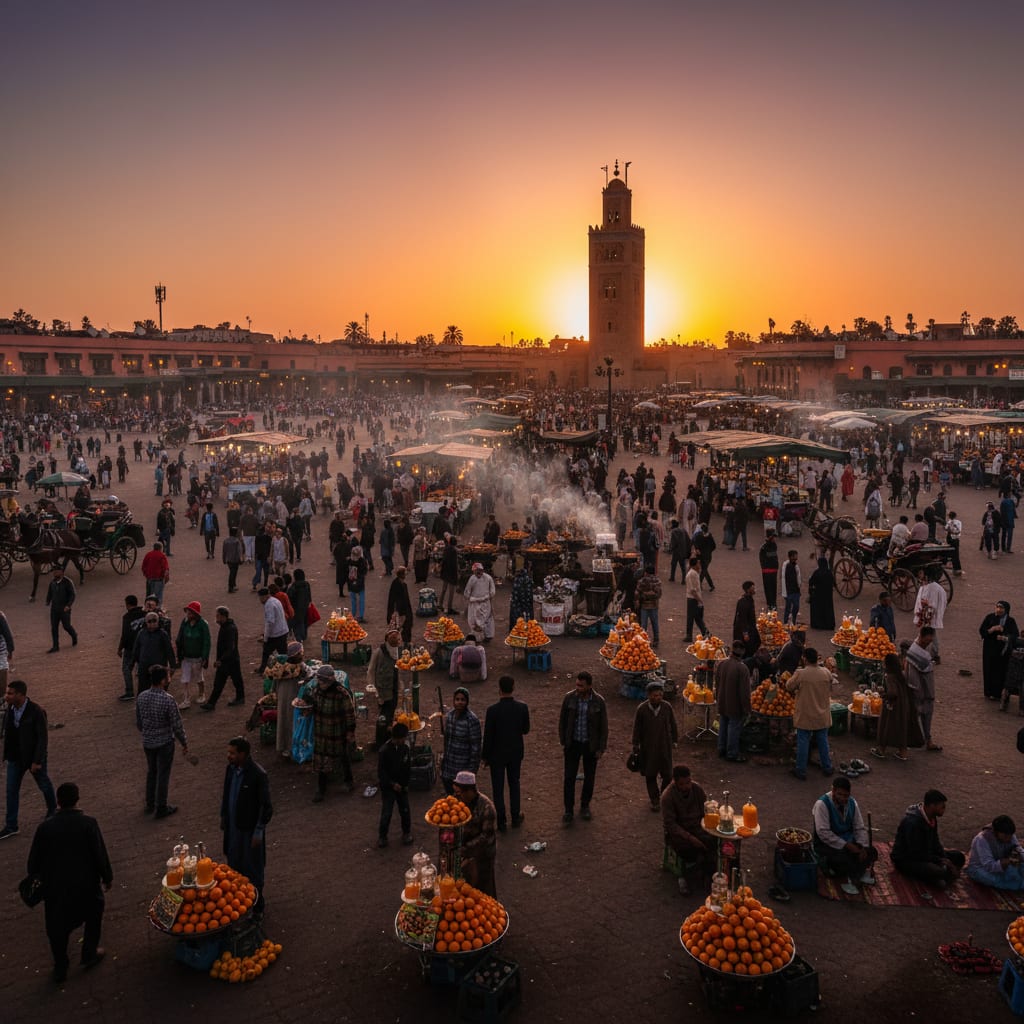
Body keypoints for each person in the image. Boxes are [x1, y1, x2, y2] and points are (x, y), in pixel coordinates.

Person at [26, 782, 112, 983]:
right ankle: (89, 953)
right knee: (93, 916)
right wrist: (107, 877)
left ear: (58, 801)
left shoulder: (45, 828)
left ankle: (61, 966)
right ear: (77, 800)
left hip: (56, 889)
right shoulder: (88, 824)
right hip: (86, 885)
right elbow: (99, 854)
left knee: (56, 927)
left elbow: (33, 864)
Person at [220, 736, 272, 915]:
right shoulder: (230, 769)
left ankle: (257, 907)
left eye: (233, 753)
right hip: (233, 828)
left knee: (253, 868)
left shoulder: (258, 775)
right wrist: (224, 817)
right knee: (234, 866)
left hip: (249, 831)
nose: (229, 756)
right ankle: (239, 904)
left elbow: (266, 807)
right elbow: (226, 795)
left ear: (243, 754)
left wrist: (258, 831)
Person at [1, 680, 57, 839]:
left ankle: (53, 811)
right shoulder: (10, 709)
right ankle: (11, 825)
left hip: (32, 757)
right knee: (11, 791)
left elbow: (42, 738)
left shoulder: (36, 711)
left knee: (44, 785)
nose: (6, 696)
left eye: (10, 693)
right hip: (15, 757)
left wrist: (37, 761)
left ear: (20, 695)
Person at [135, 665, 190, 818]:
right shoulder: (168, 700)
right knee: (163, 774)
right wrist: (184, 742)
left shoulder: (142, 697)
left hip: (148, 741)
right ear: (163, 680)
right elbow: (177, 725)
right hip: (165, 742)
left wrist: (148, 731)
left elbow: (139, 723)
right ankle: (161, 806)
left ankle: (150, 802)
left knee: (152, 771)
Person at [812, 776, 879, 895]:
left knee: (871, 851)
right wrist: (847, 845)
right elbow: (823, 833)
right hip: (826, 844)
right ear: (833, 790)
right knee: (844, 859)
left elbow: (859, 827)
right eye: (840, 794)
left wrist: (862, 847)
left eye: (846, 795)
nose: (843, 798)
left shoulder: (852, 803)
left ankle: (856, 872)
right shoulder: (822, 804)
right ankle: (851, 874)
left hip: (848, 839)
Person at [481, 675, 530, 832]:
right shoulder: (522, 708)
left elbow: (488, 736)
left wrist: (485, 757)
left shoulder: (492, 711)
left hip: (497, 755)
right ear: (513, 687)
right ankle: (515, 817)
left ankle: (501, 821)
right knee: (514, 783)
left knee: (498, 788)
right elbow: (526, 730)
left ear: (499, 689)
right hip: (515, 752)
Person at [558, 670, 608, 823]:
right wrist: (564, 741)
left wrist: (601, 748)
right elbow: (562, 721)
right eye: (577, 685)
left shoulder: (598, 701)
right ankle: (568, 810)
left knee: (589, 778)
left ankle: (585, 806)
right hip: (573, 744)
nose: (578, 688)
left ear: (589, 686)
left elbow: (604, 727)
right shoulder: (569, 698)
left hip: (590, 745)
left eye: (581, 686)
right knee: (569, 778)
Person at [891, 788, 966, 888]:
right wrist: (940, 860)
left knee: (959, 857)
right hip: (907, 859)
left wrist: (944, 858)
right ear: (932, 806)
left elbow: (935, 842)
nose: (944, 809)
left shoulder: (932, 817)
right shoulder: (913, 823)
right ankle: (940, 875)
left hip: (926, 853)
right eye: (942, 806)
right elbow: (915, 853)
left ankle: (941, 875)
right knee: (939, 873)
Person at [660, 765, 715, 896]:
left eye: (688, 782)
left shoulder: (697, 789)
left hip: (698, 827)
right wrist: (690, 838)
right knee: (688, 850)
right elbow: (671, 825)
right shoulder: (667, 797)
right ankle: (682, 877)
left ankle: (708, 874)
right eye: (682, 784)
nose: (686, 786)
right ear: (675, 782)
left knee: (713, 841)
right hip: (679, 833)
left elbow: (705, 810)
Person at [306, 664, 356, 802]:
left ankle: (349, 781)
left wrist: (350, 731)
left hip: (336, 732)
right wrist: (308, 708)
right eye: (319, 682)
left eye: (322, 682)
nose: (320, 684)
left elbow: (350, 714)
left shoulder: (341, 693)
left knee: (342, 756)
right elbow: (314, 705)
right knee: (321, 760)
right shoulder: (317, 691)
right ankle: (321, 789)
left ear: (329, 680)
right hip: (321, 732)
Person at [785, 647, 834, 780]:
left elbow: (789, 686)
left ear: (805, 659)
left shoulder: (801, 673)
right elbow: (830, 686)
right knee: (823, 740)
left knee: (803, 741)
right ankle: (827, 767)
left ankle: (801, 770)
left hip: (805, 714)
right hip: (821, 713)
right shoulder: (826, 672)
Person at [631, 680, 679, 809]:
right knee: (650, 774)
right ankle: (654, 800)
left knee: (668, 775)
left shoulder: (667, 707)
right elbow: (637, 728)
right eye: (655, 695)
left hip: (665, 746)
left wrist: (675, 740)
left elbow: (673, 724)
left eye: (660, 695)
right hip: (648, 747)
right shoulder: (642, 709)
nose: (658, 698)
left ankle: (663, 796)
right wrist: (635, 744)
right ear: (648, 695)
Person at [871, 652, 924, 760]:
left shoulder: (890, 677)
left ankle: (881, 750)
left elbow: (893, 693)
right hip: (903, 706)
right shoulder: (901, 675)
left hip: (892, 707)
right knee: (901, 728)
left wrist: (883, 694)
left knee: (885, 728)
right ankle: (902, 753)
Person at [453, 770, 498, 896]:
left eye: (460, 793)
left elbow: (485, 838)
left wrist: (465, 850)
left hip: (483, 854)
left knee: (484, 889)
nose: (457, 796)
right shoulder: (459, 802)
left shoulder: (487, 808)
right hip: (465, 850)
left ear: (469, 791)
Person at [201, 607, 245, 711]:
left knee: (234, 681)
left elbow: (230, 648)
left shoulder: (229, 629)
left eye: (218, 616)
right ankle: (212, 703)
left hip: (230, 661)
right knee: (221, 682)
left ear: (223, 616)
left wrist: (220, 660)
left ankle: (213, 703)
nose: (216, 618)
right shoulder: (226, 627)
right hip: (228, 660)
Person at [439, 686, 482, 795]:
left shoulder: (472, 720)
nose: (460, 702)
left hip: (462, 768)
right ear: (453, 701)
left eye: (463, 700)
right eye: (457, 699)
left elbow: (476, 748)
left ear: (467, 702)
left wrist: (471, 770)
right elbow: (447, 741)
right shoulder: (450, 716)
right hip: (448, 767)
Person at [377, 721, 413, 848]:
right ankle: (382, 836)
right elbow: (381, 773)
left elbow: (407, 768)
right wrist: (392, 784)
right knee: (387, 812)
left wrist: (405, 784)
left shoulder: (405, 749)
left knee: (405, 810)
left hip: (402, 786)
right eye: (403, 738)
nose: (404, 740)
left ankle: (406, 833)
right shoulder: (384, 751)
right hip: (388, 788)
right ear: (397, 738)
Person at [715, 640, 752, 763]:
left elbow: (717, 683)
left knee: (723, 724)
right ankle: (732, 753)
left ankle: (721, 748)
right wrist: (747, 708)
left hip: (722, 700)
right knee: (733, 727)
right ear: (743, 652)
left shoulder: (722, 664)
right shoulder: (742, 668)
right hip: (735, 704)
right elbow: (744, 692)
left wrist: (717, 698)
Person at [906, 626, 941, 751]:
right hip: (919, 692)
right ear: (920, 636)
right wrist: (917, 692)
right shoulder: (914, 652)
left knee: (927, 715)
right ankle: (911, 739)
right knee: (915, 715)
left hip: (928, 691)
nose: (928, 644)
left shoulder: (927, 648)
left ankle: (928, 739)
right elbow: (912, 676)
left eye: (930, 641)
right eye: (926, 641)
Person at [966, 815, 1024, 891]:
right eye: (1005, 836)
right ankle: (1018, 884)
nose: (1009, 839)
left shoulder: (1010, 835)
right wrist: (1008, 861)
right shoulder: (981, 840)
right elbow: (989, 865)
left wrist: (1020, 856)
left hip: (1002, 863)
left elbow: (1018, 849)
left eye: (1010, 836)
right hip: (981, 868)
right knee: (993, 879)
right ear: (995, 832)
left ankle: (1016, 881)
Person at [366, 628, 400, 748]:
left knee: (390, 715)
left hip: (394, 689)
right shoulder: (379, 652)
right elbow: (371, 670)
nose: (396, 640)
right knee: (383, 717)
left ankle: (388, 739)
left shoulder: (397, 651)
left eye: (397, 638)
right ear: (387, 639)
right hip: (383, 691)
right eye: (393, 638)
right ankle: (380, 742)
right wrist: (373, 689)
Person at [979, 600, 1018, 701]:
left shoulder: (1010, 621)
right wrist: (991, 629)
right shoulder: (990, 617)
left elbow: (1015, 635)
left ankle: (1000, 694)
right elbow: (982, 631)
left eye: (1001, 608)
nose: (998, 610)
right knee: (989, 669)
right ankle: (989, 692)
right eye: (997, 607)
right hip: (990, 650)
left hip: (1003, 652)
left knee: (1001, 671)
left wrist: (1004, 636)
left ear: (1006, 610)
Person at [175, 600, 210, 709]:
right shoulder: (185, 622)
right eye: (188, 612)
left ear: (196, 614)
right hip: (186, 656)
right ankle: (186, 699)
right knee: (185, 678)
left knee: (198, 677)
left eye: (190, 613)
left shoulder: (203, 624)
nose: (188, 615)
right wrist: (179, 653)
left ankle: (201, 694)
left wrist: (204, 657)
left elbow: (206, 642)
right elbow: (180, 637)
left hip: (197, 657)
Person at [913, 568, 947, 662]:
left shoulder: (933, 588)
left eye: (921, 573)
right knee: (930, 634)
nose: (919, 575)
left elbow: (931, 605)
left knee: (930, 635)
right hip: (926, 615)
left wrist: (926, 616)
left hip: (929, 616)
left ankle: (933, 655)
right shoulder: (926, 586)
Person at [116, 595, 146, 701]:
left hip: (130, 647)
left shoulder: (127, 617)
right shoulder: (144, 613)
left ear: (127, 604)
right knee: (143, 668)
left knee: (127, 668)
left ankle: (129, 691)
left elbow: (125, 634)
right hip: (143, 645)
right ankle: (144, 690)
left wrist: (120, 648)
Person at [256, 587, 290, 674]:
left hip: (275, 634)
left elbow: (270, 622)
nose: (260, 600)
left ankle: (263, 669)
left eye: (260, 598)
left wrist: (265, 637)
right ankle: (286, 668)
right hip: (283, 630)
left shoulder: (269, 605)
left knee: (266, 652)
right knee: (283, 652)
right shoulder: (275, 600)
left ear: (264, 596)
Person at [45, 564, 78, 653]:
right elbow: (50, 593)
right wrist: (48, 601)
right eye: (54, 571)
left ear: (62, 572)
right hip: (54, 609)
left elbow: (72, 595)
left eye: (57, 571)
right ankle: (55, 646)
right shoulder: (52, 583)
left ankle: (74, 635)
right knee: (54, 628)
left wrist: (68, 605)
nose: (55, 573)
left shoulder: (67, 582)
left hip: (64, 609)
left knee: (66, 626)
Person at [464, 561, 497, 641]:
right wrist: (471, 599)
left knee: (487, 620)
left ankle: (488, 636)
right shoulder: (472, 579)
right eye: (476, 571)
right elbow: (467, 592)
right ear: (474, 571)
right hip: (474, 604)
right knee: (474, 620)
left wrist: (486, 598)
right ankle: (476, 637)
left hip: (485, 604)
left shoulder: (488, 578)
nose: (478, 572)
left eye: (480, 570)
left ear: (482, 570)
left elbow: (492, 591)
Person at [732, 580, 761, 658]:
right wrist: (745, 633)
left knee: (756, 642)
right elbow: (742, 618)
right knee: (748, 648)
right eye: (753, 588)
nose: (754, 589)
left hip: (750, 627)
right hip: (744, 629)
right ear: (748, 590)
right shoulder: (743, 602)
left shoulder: (749, 599)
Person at [635, 564, 662, 645]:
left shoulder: (642, 581)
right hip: (654, 605)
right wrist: (651, 594)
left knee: (643, 625)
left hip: (644, 606)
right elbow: (659, 594)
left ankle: (643, 640)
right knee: (655, 623)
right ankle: (656, 639)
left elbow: (637, 593)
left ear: (646, 573)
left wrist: (642, 597)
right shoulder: (658, 581)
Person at [386, 565, 413, 645]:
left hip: (404, 610)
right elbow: (395, 600)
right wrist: (398, 612)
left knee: (406, 627)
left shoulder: (403, 584)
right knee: (399, 628)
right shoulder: (397, 585)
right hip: (400, 612)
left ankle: (405, 642)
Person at [807, 556, 836, 631]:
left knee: (818, 609)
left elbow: (811, 582)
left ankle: (818, 624)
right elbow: (833, 582)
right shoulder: (829, 573)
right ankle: (828, 624)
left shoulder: (817, 572)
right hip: (827, 595)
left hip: (818, 595)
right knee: (828, 609)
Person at [683, 556, 708, 642]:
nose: (699, 565)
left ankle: (698, 633)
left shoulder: (695, 573)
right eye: (698, 563)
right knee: (695, 618)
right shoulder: (692, 574)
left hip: (694, 598)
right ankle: (704, 633)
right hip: (693, 599)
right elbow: (692, 590)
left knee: (696, 617)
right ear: (694, 565)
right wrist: (699, 599)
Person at [346, 544, 369, 622]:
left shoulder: (349, 561)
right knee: (361, 599)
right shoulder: (362, 561)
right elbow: (364, 572)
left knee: (353, 600)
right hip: (360, 583)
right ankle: (360, 616)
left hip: (351, 582)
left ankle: (353, 614)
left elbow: (346, 571)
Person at [439, 535, 460, 615]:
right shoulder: (454, 551)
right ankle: (449, 608)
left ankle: (440, 604)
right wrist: (457, 574)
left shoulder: (446, 549)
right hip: (451, 573)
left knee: (444, 589)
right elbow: (454, 564)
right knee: (451, 592)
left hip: (445, 572)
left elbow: (443, 560)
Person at [758, 531, 780, 610]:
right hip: (767, 570)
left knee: (773, 587)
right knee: (768, 588)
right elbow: (770, 557)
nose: (774, 539)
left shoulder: (773, 545)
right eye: (773, 537)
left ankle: (773, 603)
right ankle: (770, 603)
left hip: (773, 570)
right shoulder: (765, 547)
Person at [781, 549, 801, 626]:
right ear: (790, 557)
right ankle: (786, 622)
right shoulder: (787, 566)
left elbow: (798, 577)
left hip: (796, 590)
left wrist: (799, 585)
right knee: (788, 607)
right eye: (794, 556)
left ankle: (793, 620)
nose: (796, 557)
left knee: (796, 606)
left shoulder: (796, 566)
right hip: (789, 590)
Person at [222, 527, 244, 593]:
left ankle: (233, 585)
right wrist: (241, 559)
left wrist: (224, 559)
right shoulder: (237, 541)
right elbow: (239, 551)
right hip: (235, 559)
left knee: (232, 572)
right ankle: (230, 587)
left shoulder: (226, 541)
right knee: (233, 573)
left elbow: (224, 551)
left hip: (229, 559)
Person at [946, 510, 963, 576]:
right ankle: (957, 569)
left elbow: (946, 528)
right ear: (955, 516)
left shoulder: (949, 522)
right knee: (956, 554)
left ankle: (955, 568)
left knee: (952, 553)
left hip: (950, 539)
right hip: (955, 539)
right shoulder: (959, 522)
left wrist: (950, 530)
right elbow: (959, 531)